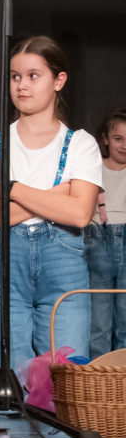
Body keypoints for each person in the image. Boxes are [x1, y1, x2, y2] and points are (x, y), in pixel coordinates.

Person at [0, 36, 102, 397]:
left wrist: (13, 189)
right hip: (6, 267)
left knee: (63, 383)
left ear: (58, 81)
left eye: (33, 76)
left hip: (63, 268)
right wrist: (56, 196)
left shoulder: (80, 144)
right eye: (15, 77)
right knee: (1, 383)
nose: (22, 86)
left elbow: (79, 213)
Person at [87, 110, 126, 356]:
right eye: (118, 138)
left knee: (125, 316)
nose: (124, 145)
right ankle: (98, 372)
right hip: (98, 239)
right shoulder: (94, 168)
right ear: (105, 139)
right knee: (99, 318)